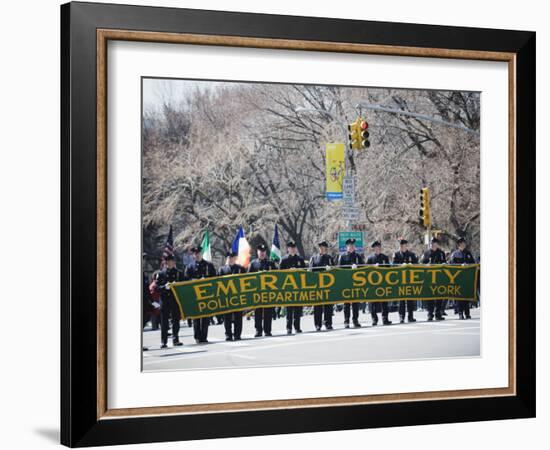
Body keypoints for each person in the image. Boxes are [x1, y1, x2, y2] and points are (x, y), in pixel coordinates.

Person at [185, 246, 216, 343]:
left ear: (201, 253)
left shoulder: (209, 265)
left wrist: (206, 280)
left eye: (198, 253)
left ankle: (204, 337)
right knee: (196, 317)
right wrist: (193, 280)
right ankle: (197, 337)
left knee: (205, 317)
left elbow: (215, 278)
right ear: (193, 255)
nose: (197, 254)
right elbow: (185, 280)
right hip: (194, 295)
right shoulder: (190, 266)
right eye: (195, 253)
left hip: (206, 294)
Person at [248, 244, 278, 337]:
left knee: (268, 312)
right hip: (257, 292)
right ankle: (258, 330)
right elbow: (248, 278)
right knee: (258, 312)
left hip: (268, 292)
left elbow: (277, 276)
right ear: (257, 252)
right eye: (260, 251)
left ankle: (267, 330)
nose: (262, 253)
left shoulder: (270, 263)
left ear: (265, 252)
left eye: (264, 251)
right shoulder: (253, 263)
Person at [156, 254, 184, 348]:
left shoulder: (179, 273)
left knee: (176, 320)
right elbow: (156, 287)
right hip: (165, 300)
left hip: (175, 300)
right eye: (168, 261)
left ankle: (175, 339)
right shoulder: (160, 273)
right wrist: (165, 287)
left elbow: (185, 284)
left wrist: (178, 285)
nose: (170, 263)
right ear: (165, 262)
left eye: (171, 261)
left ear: (174, 262)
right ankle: (163, 341)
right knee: (164, 322)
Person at [279, 241, 307, 334]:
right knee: (289, 309)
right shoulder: (284, 260)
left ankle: (297, 327)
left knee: (298, 309)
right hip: (288, 288)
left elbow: (305, 272)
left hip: (298, 287)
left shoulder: (300, 259)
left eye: (294, 247)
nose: (293, 249)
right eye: (291, 247)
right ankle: (289, 327)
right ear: (288, 249)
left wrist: (298, 270)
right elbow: (279, 274)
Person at [218, 251, 246, 340]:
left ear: (235, 258)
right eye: (229, 257)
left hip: (238, 296)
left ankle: (237, 334)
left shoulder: (241, 269)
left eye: (232, 257)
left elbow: (246, 281)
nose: (230, 259)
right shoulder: (222, 269)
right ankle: (228, 334)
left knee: (238, 316)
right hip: (226, 297)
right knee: (227, 317)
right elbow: (217, 283)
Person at [337, 238, 364, 328]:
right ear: (347, 247)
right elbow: (339, 270)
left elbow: (363, 268)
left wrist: (358, 268)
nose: (351, 247)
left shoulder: (358, 256)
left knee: (356, 303)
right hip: (346, 283)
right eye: (349, 246)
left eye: (353, 245)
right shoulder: (343, 256)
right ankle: (346, 321)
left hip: (356, 283)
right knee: (347, 304)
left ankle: (355, 320)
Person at [309, 240, 335, 331]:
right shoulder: (314, 258)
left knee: (328, 305)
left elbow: (335, 271)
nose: (322, 249)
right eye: (321, 247)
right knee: (318, 306)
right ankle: (318, 324)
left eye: (324, 247)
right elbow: (310, 271)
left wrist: (330, 268)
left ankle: (328, 323)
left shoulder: (329, 258)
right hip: (317, 285)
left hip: (328, 284)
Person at [392, 239, 419, 323]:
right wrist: (400, 265)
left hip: (410, 280)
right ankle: (401, 317)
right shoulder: (396, 254)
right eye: (401, 245)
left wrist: (412, 265)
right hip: (400, 280)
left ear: (406, 246)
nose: (403, 247)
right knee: (402, 300)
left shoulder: (411, 254)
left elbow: (417, 264)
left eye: (404, 245)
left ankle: (410, 316)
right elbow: (393, 265)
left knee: (410, 299)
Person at [421, 237, 447, 321]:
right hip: (429, 278)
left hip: (439, 277)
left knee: (439, 296)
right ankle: (430, 314)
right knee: (430, 297)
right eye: (431, 243)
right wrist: (426, 265)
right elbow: (421, 264)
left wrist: (443, 264)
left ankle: (438, 314)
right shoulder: (426, 253)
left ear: (437, 244)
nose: (433, 245)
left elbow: (444, 262)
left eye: (434, 243)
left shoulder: (441, 253)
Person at [450, 237, 476, 319]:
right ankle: (460, 313)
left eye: (464, 243)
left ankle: (467, 313)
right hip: (458, 278)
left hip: (467, 278)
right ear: (458, 245)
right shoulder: (455, 254)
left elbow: (473, 263)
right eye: (461, 243)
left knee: (466, 296)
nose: (463, 244)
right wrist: (460, 265)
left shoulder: (468, 253)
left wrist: (468, 265)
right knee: (459, 297)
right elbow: (451, 265)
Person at [366, 241, 392, 326]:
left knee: (384, 302)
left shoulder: (385, 257)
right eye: (376, 248)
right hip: (373, 283)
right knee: (373, 302)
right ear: (374, 249)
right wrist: (373, 267)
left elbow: (389, 269)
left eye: (379, 248)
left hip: (383, 282)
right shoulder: (370, 258)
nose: (378, 249)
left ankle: (385, 319)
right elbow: (366, 270)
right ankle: (374, 319)